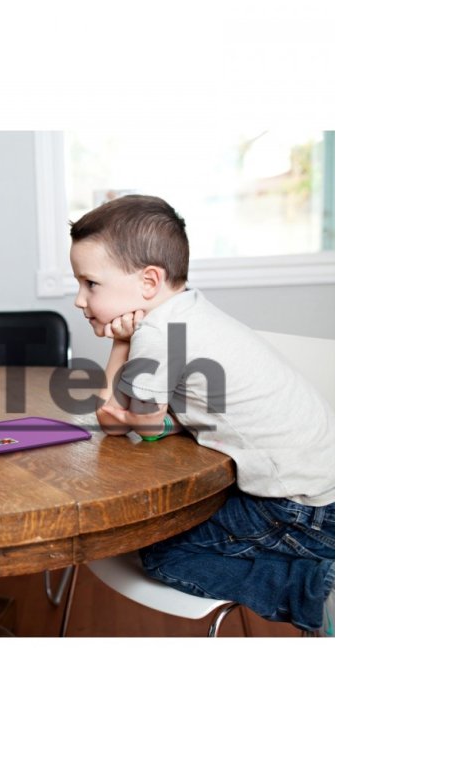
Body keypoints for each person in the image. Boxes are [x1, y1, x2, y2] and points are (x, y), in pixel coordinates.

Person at [69, 195, 334, 634]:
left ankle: (314, 587)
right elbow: (165, 421)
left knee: (163, 554)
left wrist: (119, 343)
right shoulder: (190, 309)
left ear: (149, 281)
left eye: (90, 284)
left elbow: (116, 422)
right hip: (325, 485)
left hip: (302, 507)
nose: (80, 299)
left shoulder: (157, 334)